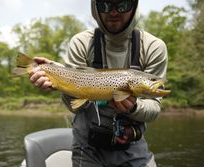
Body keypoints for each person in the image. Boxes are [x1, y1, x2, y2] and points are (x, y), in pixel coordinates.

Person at [29, 0, 168, 166]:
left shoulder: (154, 47)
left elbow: (154, 108)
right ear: (95, 8)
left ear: (135, 6)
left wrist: (134, 107)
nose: (114, 12)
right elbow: (75, 106)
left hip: (133, 147)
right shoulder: (81, 43)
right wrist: (60, 80)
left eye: (123, 5)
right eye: (105, 5)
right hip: (87, 148)